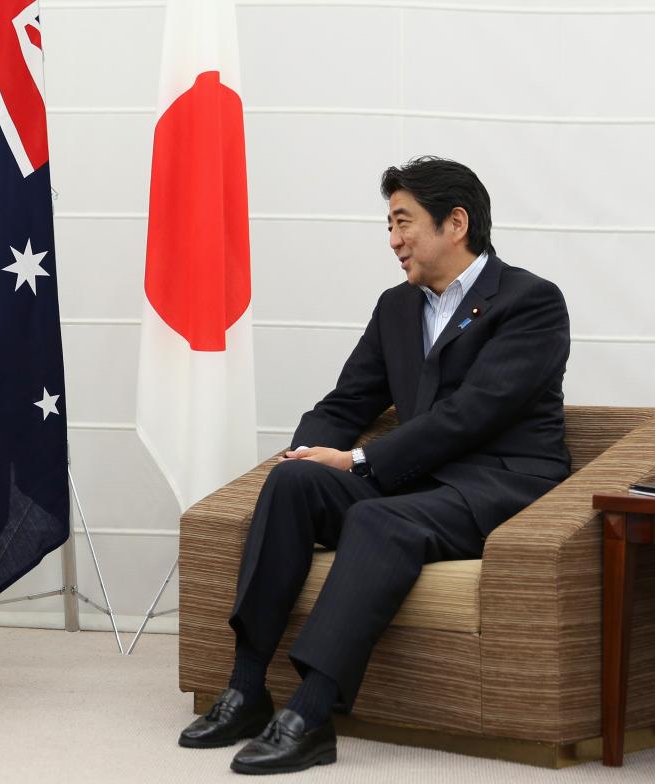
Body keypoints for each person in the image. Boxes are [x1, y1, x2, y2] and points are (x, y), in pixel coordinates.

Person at [178, 157, 571, 774]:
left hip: (501, 487)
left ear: (456, 223)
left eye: (403, 222)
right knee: (293, 485)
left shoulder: (531, 302)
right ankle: (246, 687)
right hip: (419, 485)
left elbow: (472, 414)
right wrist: (306, 451)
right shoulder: (397, 307)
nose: (393, 241)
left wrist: (360, 459)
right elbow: (348, 401)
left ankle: (310, 715)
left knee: (380, 523)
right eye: (389, 225)